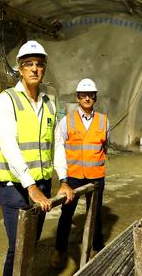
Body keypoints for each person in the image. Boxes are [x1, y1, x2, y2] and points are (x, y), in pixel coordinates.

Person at [0, 40, 75, 276]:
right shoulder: (5, 101)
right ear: (20, 68)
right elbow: (9, 146)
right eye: (28, 64)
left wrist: (64, 179)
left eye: (39, 64)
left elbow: (57, 142)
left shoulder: (51, 100)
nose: (34, 69)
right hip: (15, 188)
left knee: (31, 246)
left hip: (42, 184)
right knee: (17, 248)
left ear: (44, 68)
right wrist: (30, 186)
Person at [51, 78, 109, 268]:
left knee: (96, 214)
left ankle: (97, 248)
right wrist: (63, 178)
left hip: (96, 176)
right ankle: (60, 251)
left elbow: (104, 146)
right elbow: (59, 147)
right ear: (78, 98)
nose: (87, 98)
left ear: (95, 97)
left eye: (90, 95)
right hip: (73, 177)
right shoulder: (66, 121)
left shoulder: (103, 120)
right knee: (67, 214)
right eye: (83, 95)